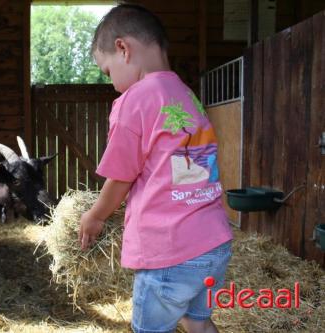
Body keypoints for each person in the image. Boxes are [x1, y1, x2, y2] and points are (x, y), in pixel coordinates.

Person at [78, 4, 233, 333]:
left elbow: (121, 176)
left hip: (170, 250)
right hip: (214, 244)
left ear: (123, 48)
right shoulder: (186, 95)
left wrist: (95, 216)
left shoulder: (134, 100)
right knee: (198, 321)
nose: (113, 84)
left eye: (108, 72)